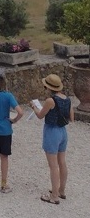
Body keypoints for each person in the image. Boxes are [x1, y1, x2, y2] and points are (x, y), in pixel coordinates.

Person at [30, 73, 73, 204]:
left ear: (48, 87)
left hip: (52, 132)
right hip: (63, 132)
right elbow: (72, 118)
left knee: (53, 165)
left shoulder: (50, 101)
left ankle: (54, 196)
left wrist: (34, 106)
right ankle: (61, 190)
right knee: (62, 162)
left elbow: (40, 115)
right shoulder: (67, 99)